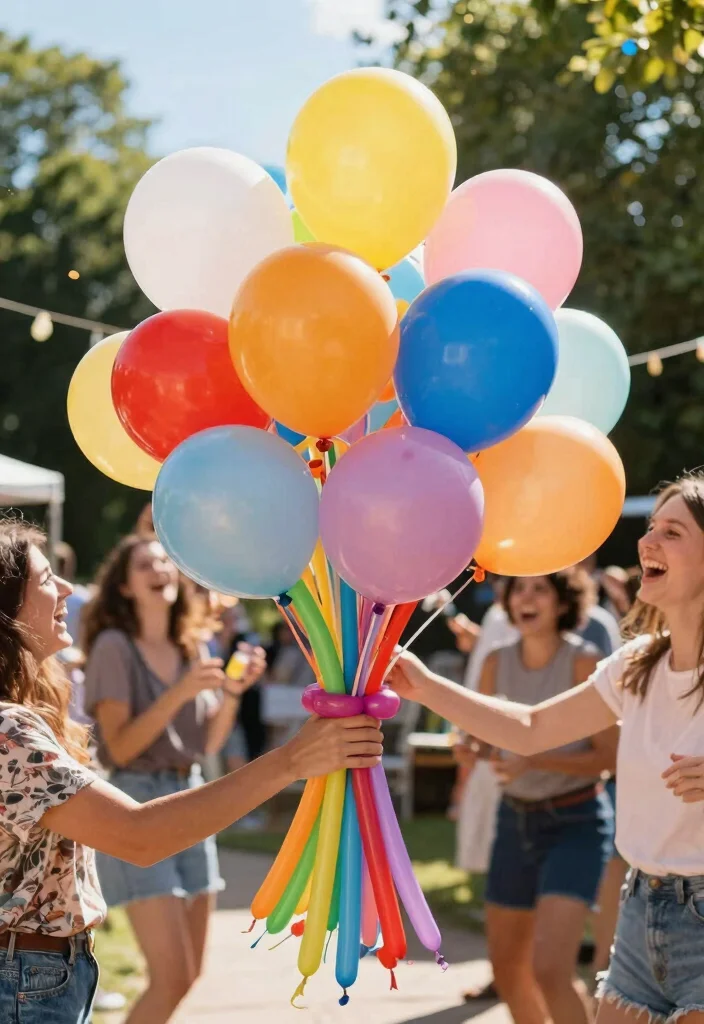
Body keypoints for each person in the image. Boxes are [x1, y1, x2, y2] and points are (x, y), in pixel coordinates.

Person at [0, 520, 383, 1024]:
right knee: (172, 975)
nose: (69, 588)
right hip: (24, 977)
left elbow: (204, 745)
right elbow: (138, 835)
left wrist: (231, 696)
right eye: (49, 579)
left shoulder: (29, 712)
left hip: (41, 970)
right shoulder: (10, 729)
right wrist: (292, 759)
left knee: (184, 975)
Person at [389, 471, 704, 1024]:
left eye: (671, 533)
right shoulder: (636, 665)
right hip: (639, 909)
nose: (646, 541)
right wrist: (426, 686)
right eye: (651, 527)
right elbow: (531, 728)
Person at [451, 571, 617, 1024]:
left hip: (576, 823)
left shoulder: (585, 662)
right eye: (518, 589)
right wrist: (472, 749)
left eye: (540, 589)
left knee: (550, 970)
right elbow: (486, 738)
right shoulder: (495, 662)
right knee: (508, 969)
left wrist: (535, 760)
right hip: (514, 820)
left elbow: (611, 758)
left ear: (563, 604)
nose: (525, 597)